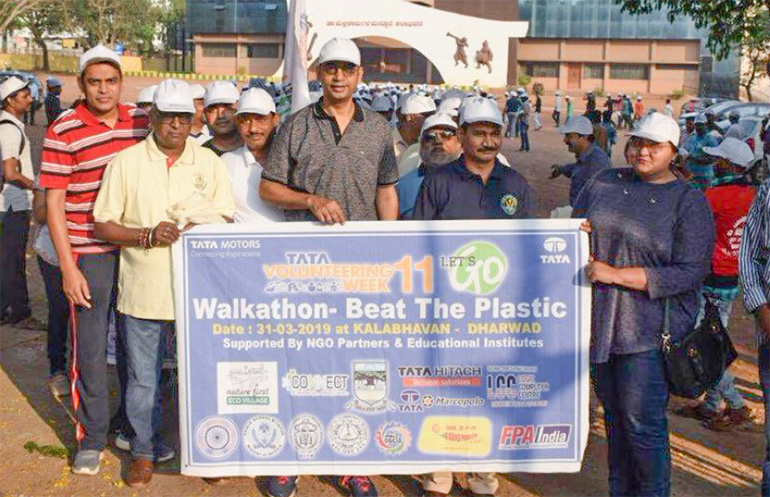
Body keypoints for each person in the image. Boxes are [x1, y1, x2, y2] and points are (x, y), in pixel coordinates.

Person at [260, 37, 398, 497]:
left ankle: (350, 459)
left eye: (347, 69)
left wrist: (388, 244)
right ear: (319, 73)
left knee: (357, 364)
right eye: (330, 68)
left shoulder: (379, 128)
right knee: (300, 360)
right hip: (303, 266)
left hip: (361, 267)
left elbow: (386, 190)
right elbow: (269, 189)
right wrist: (311, 199)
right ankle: (290, 459)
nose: (338, 76)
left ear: (360, 76)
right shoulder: (297, 125)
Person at [93, 79, 235, 488]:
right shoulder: (127, 162)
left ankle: (208, 449)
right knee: (142, 379)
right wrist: (147, 236)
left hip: (199, 295)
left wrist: (197, 219)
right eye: (167, 116)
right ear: (152, 117)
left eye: (183, 117)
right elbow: (104, 224)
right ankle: (143, 451)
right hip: (144, 289)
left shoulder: (209, 163)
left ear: (193, 120)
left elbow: (226, 217)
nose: (175, 124)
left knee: (202, 374)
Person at [573, 112, 715, 497]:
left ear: (674, 152)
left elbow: (690, 272)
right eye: (637, 141)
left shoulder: (688, 201)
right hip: (599, 326)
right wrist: (577, 232)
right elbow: (573, 228)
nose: (642, 151)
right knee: (615, 423)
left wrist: (618, 275)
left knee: (643, 426)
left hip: (648, 334)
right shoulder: (604, 181)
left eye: (655, 145)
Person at [411, 97, 532, 497]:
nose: (487, 140)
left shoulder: (515, 185)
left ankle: (483, 478)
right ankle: (438, 478)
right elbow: (416, 244)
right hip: (445, 310)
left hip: (495, 314)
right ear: (461, 136)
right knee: (443, 392)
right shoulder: (439, 181)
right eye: (478, 132)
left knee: (489, 394)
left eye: (494, 132)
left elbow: (531, 246)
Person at [39, 45, 150, 476]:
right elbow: (55, 203)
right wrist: (68, 267)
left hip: (135, 250)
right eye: (94, 81)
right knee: (88, 349)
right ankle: (92, 436)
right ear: (81, 84)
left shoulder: (140, 122)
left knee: (134, 345)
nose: (103, 89)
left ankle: (128, 426)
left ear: (122, 83)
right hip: (88, 254)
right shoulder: (64, 128)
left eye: (111, 81)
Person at [675, 138, 756, 430]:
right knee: (714, 338)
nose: (714, 162)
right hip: (733, 277)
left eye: (719, 159)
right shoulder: (754, 194)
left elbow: (693, 221)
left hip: (710, 278)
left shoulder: (716, 195)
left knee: (705, 344)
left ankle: (735, 403)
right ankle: (711, 405)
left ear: (729, 164)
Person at [0, 76, 36, 326]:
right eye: (24, 96)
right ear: (10, 101)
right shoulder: (10, 129)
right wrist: (38, 186)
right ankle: (20, 312)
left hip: (8, 204)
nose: (30, 99)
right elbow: (11, 173)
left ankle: (5, 309)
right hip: (12, 204)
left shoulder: (9, 125)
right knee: (13, 259)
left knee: (7, 258)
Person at [33, 176, 71, 397]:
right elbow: (38, 215)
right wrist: (57, 201)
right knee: (59, 309)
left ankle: (85, 369)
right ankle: (57, 370)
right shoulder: (47, 174)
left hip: (86, 251)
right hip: (52, 254)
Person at [221, 87, 283, 223]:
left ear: (276, 119)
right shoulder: (226, 163)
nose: (253, 129)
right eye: (245, 120)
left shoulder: (294, 159)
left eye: (260, 119)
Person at [398, 112, 462, 218]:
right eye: (430, 137)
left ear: (460, 144)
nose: (438, 141)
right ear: (421, 145)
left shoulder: (477, 184)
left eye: (446, 135)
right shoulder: (401, 188)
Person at [549, 115, 610, 207]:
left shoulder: (597, 160)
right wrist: (561, 169)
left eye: (568, 136)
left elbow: (600, 197)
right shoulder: (587, 157)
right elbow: (577, 169)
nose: (565, 140)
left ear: (584, 137)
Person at [397, 94, 437, 176]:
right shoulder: (386, 142)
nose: (433, 120)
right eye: (428, 116)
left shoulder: (432, 145)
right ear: (411, 117)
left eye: (434, 115)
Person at [201, 81, 243, 156]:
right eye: (213, 109)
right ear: (205, 113)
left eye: (227, 107)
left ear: (239, 108)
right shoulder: (200, 156)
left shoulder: (256, 150)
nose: (220, 116)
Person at [684, 115, 720, 190]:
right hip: (692, 175)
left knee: (704, 198)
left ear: (706, 124)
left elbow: (712, 160)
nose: (698, 127)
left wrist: (693, 159)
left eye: (701, 125)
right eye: (697, 125)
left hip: (704, 176)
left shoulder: (710, 140)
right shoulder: (692, 138)